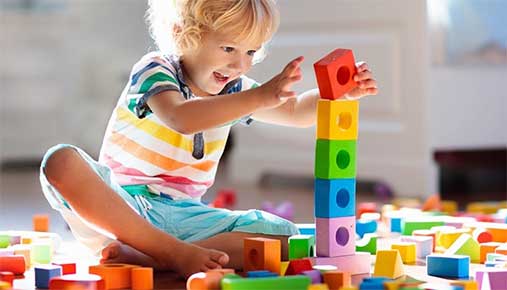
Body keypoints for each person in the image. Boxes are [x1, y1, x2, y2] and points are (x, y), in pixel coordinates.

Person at [40, 0, 378, 278]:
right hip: (121, 207)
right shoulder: (155, 69)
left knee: (285, 238)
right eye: (229, 47)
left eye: (250, 52)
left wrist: (338, 95)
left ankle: (154, 255)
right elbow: (181, 117)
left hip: (186, 217)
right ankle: (166, 251)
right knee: (60, 162)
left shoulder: (236, 91)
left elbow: (295, 112)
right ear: (182, 35)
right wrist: (259, 96)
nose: (239, 64)